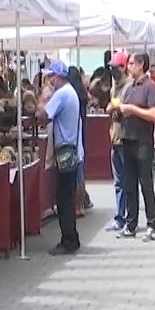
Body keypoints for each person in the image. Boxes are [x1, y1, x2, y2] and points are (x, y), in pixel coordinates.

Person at [37, 60, 82, 256]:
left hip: (65, 150)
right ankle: (72, 237)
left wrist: (39, 101)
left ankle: (68, 240)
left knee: (64, 198)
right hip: (71, 149)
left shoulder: (62, 94)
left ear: (57, 76)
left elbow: (43, 115)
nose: (49, 80)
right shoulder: (70, 91)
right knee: (67, 196)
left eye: (50, 77)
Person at [113, 53, 155, 242]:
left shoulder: (150, 87)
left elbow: (154, 114)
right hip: (127, 140)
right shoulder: (128, 88)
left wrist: (132, 110)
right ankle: (131, 224)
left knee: (146, 184)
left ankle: (152, 224)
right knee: (129, 184)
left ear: (141, 65)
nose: (128, 67)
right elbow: (122, 111)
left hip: (143, 143)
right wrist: (116, 110)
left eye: (131, 64)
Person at [104, 51, 130, 231]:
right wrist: (113, 107)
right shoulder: (115, 87)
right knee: (118, 181)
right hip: (115, 138)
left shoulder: (129, 86)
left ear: (123, 67)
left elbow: (123, 110)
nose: (113, 71)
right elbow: (110, 108)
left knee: (126, 181)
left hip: (126, 139)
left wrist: (116, 107)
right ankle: (120, 216)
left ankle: (128, 216)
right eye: (111, 68)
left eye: (115, 67)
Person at [67, 66, 89, 217]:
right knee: (81, 173)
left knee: (76, 174)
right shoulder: (82, 94)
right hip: (82, 131)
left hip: (73, 133)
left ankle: (76, 206)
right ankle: (81, 205)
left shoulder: (71, 95)